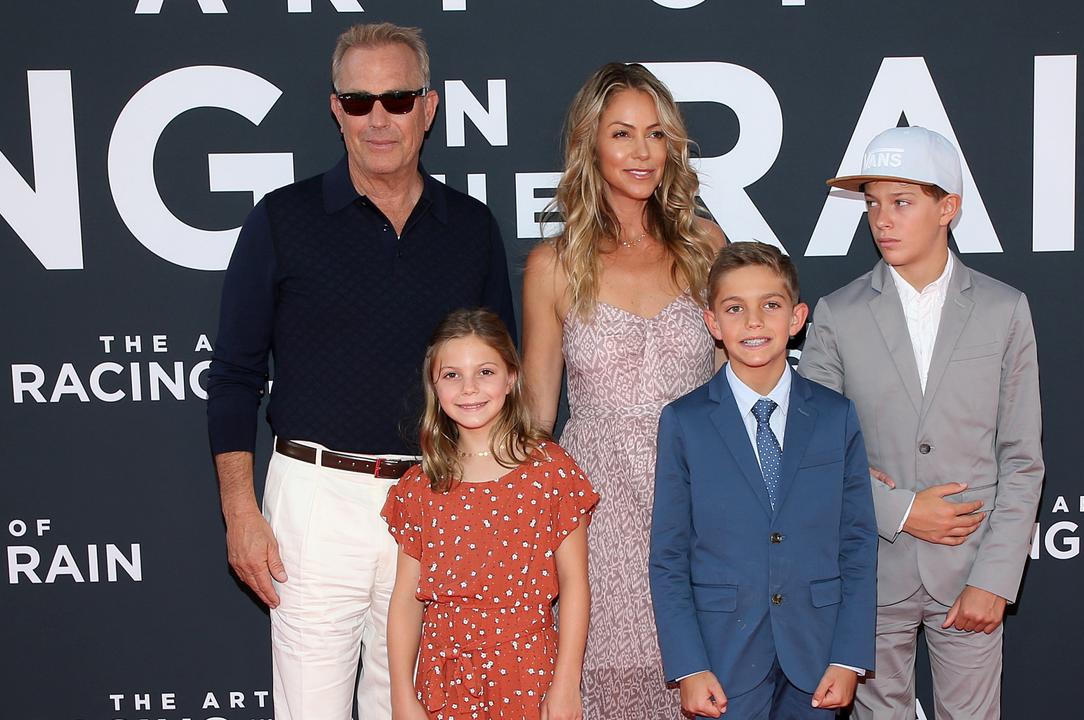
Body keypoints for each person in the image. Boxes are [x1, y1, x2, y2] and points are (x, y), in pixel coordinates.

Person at [205, 23, 515, 720]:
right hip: (314, 505)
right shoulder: (283, 221)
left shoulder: (470, 227)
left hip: (435, 500)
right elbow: (233, 375)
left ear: (429, 110)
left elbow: (502, 379)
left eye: (399, 99)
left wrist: (482, 508)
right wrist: (239, 510)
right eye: (361, 99)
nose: (380, 117)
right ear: (336, 108)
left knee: (407, 709)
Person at [799, 126, 1044, 719]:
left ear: (948, 208)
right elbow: (814, 452)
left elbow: (1021, 457)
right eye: (873, 204)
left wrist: (997, 577)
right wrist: (905, 511)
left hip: (970, 571)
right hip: (870, 573)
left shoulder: (1003, 309)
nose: (882, 219)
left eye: (901, 202)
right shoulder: (837, 314)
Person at [521, 62, 724, 718]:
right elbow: (536, 416)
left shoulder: (706, 247)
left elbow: (742, 390)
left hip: (699, 499)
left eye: (656, 135)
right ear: (590, 144)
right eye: (623, 134)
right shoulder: (554, 264)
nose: (642, 152)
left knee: (707, 675)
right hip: (598, 510)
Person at [649, 242, 878, 719]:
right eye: (735, 308)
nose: (753, 322)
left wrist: (848, 656)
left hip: (817, 654)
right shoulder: (684, 421)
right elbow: (668, 555)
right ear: (712, 323)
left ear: (796, 319)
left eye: (770, 306)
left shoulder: (835, 416)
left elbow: (857, 543)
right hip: (723, 657)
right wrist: (688, 666)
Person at [383, 308, 598, 720]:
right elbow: (406, 601)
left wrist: (567, 682)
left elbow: (574, 584)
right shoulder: (420, 486)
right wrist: (401, 695)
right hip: (443, 677)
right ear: (434, 385)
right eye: (452, 375)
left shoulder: (550, 471)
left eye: (484, 371)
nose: (469, 389)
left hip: (529, 671)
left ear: (511, 377)